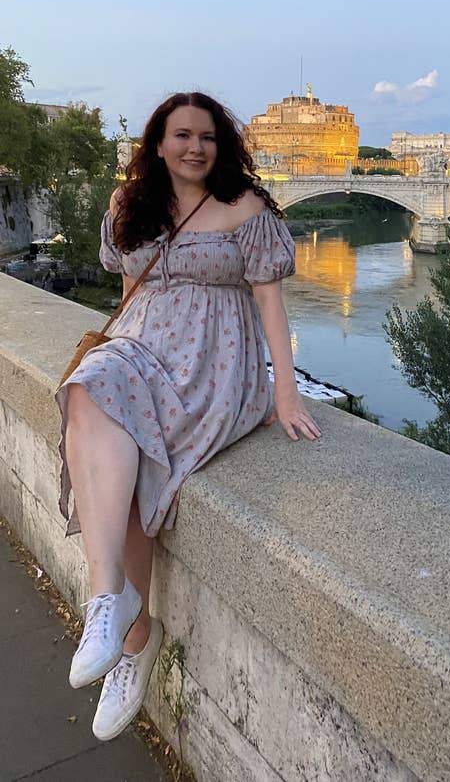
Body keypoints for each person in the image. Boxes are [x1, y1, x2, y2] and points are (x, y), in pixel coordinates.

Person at [54, 91, 321, 742]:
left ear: (221, 144)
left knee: (141, 450)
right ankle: (114, 611)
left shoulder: (247, 209)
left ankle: (132, 637)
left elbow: (270, 305)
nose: (196, 146)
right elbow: (127, 293)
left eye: (207, 136)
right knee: (88, 392)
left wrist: (283, 392)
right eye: (182, 135)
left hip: (213, 362)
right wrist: (117, 355)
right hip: (142, 348)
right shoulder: (128, 207)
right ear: (159, 142)